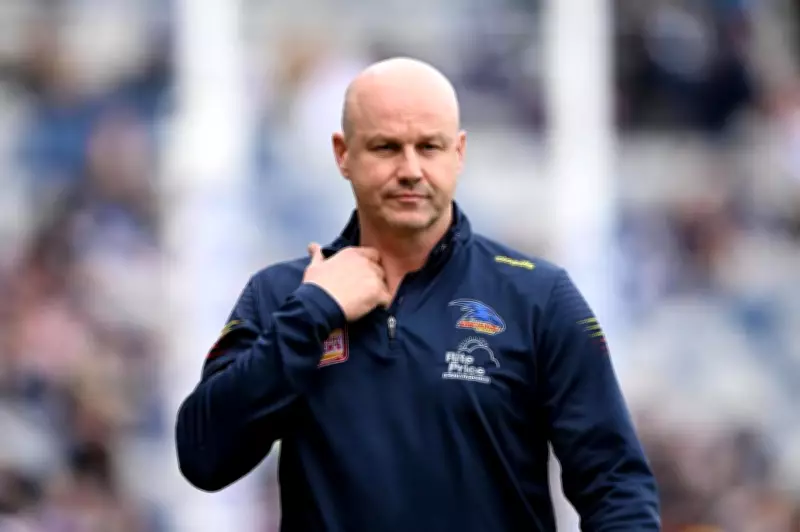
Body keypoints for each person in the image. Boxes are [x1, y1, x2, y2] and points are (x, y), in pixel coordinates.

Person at [175, 57, 661, 531]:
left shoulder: (538, 296)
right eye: (386, 147)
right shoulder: (282, 295)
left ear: (458, 153)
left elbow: (616, 486)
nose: (410, 169)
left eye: (429, 147)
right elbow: (203, 456)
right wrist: (314, 311)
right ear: (343, 154)